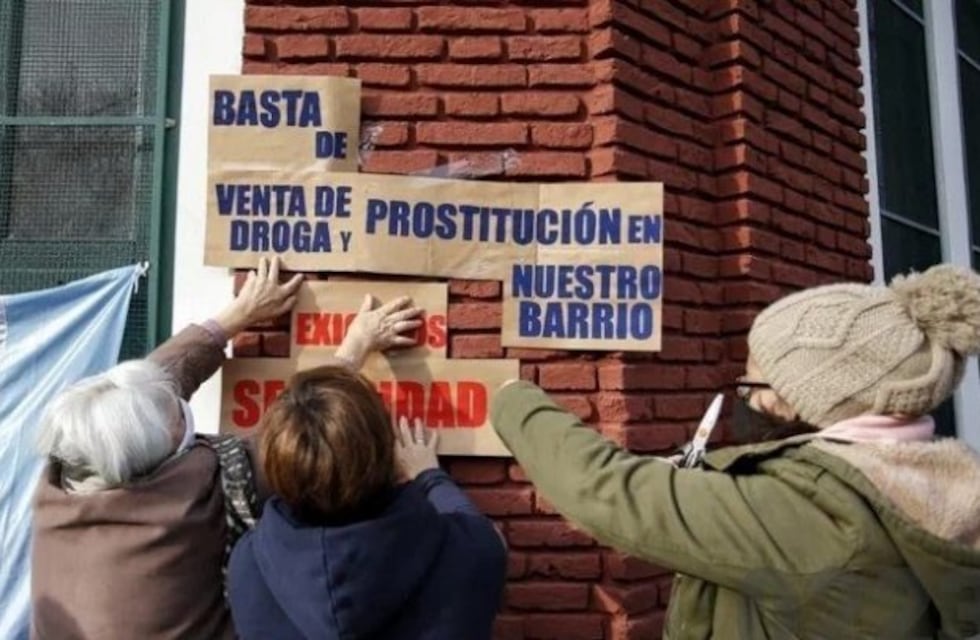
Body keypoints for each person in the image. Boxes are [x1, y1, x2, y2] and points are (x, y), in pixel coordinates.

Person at [491, 264, 980, 639]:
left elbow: (605, 490)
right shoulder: (919, 483)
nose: (747, 396)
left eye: (756, 382)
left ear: (814, 397)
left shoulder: (816, 515)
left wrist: (509, 395)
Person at [31, 257, 424, 640]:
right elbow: (299, 438)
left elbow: (131, 399)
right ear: (163, 456)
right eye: (178, 417)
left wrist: (234, 318)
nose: (181, 412)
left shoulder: (66, 478)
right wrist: (354, 347)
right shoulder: (196, 502)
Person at [227, 366, 507, 640]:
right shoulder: (471, 552)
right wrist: (429, 475)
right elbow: (479, 531)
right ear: (387, 448)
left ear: (277, 462)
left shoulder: (248, 564)